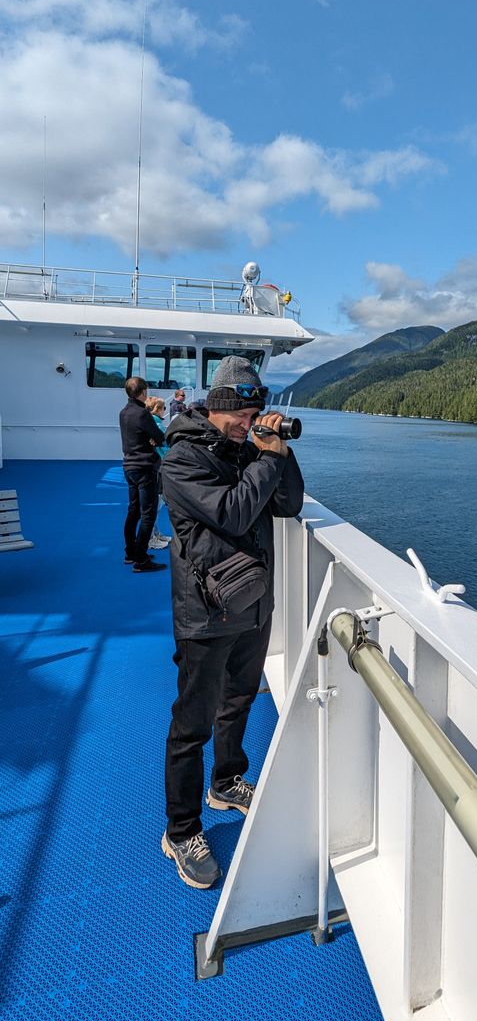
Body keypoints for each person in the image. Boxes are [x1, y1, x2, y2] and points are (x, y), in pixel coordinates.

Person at [160, 356, 304, 888]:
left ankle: (226, 781)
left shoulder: (247, 449)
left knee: (239, 699)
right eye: (243, 413)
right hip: (204, 614)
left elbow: (287, 505)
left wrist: (278, 452)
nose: (251, 421)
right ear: (218, 409)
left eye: (256, 412)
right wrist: (264, 460)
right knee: (191, 725)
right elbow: (235, 514)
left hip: (252, 606)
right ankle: (180, 831)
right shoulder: (181, 462)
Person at [119, 377, 167, 574]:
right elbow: (160, 437)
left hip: (129, 467)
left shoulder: (123, 413)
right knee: (148, 514)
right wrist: (154, 441)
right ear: (143, 392)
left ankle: (130, 553)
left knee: (133, 512)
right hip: (145, 468)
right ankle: (141, 559)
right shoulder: (143, 414)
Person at [145, 396, 172, 551]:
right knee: (155, 502)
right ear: (158, 409)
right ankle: (151, 538)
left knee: (157, 501)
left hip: (157, 465)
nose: (165, 411)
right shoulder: (156, 425)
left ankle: (155, 533)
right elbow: (166, 444)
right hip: (158, 466)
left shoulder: (152, 422)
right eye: (164, 408)